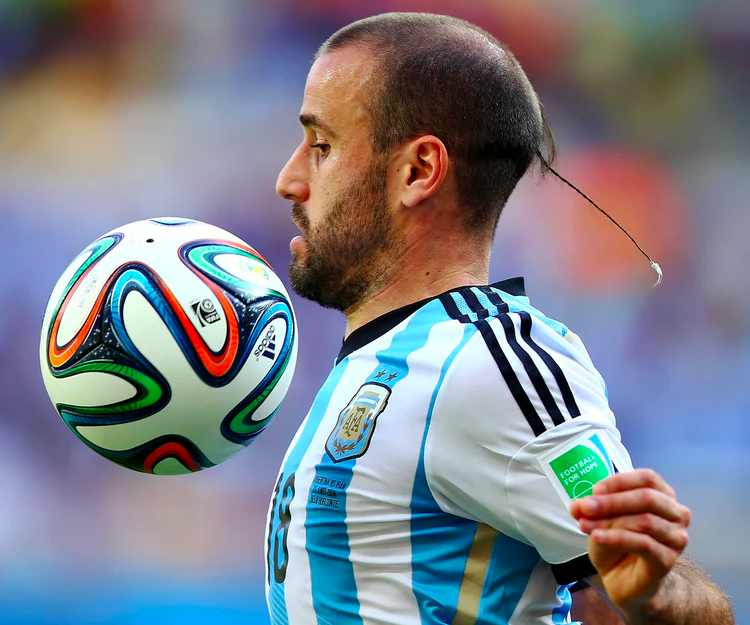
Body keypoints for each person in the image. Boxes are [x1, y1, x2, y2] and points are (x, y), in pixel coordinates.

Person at [265, 12, 734, 625]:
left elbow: (639, 588)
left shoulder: (484, 362)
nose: (289, 180)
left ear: (418, 172)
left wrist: (652, 596)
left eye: (322, 146)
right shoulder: (383, 361)